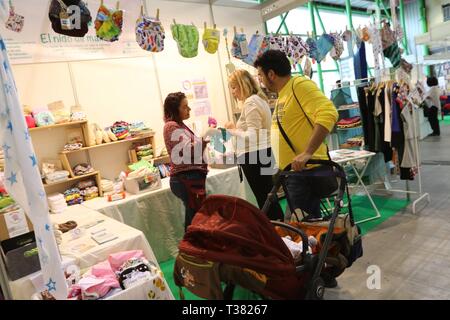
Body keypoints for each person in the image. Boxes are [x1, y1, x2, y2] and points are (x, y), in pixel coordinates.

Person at [254, 50, 339, 288]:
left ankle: (317, 275)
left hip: (306, 173)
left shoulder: (299, 85)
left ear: (271, 73)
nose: (260, 80)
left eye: (261, 75)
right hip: (294, 175)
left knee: (306, 229)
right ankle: (321, 271)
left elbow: (329, 112)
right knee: (306, 227)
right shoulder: (282, 95)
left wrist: (308, 152)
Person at [224, 69, 284, 221]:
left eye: (234, 87)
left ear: (243, 85)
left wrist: (233, 130)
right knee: (268, 195)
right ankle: (279, 228)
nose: (232, 92)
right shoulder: (260, 100)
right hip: (263, 152)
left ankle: (276, 230)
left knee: (264, 197)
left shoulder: (251, 102)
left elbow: (252, 136)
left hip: (254, 155)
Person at [163, 92, 215, 231]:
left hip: (189, 177)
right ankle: (190, 246)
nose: (189, 109)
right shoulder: (171, 126)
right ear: (175, 110)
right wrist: (203, 141)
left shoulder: (180, 125)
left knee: (195, 216)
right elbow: (187, 151)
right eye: (185, 107)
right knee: (195, 219)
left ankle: (192, 246)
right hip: (185, 178)